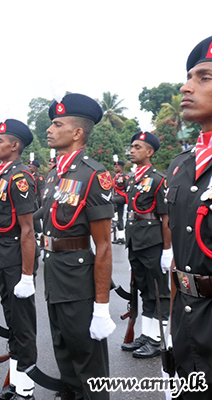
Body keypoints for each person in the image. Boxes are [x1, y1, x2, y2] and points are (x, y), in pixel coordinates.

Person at [41, 93, 115, 400]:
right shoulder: (53, 176)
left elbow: (104, 246)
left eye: (57, 124)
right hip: (55, 274)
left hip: (78, 278)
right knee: (63, 348)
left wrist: (101, 307)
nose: (49, 129)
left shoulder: (93, 174)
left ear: (77, 133)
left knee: (87, 357)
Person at [165, 35, 212, 399]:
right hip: (185, 314)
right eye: (189, 77)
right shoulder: (181, 166)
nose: (186, 86)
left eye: (203, 78)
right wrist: (171, 323)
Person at [0, 120, 38, 400]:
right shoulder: (3, 176)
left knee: (23, 325)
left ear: (15, 146)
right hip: (4, 256)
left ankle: (25, 390)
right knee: (13, 323)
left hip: (17, 259)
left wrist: (27, 275)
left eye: (1, 140)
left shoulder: (19, 178)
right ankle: (15, 385)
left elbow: (27, 229)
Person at [120, 131, 170, 359]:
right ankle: (147, 334)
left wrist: (167, 251)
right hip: (135, 241)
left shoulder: (158, 179)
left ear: (150, 152)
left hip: (152, 242)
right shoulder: (134, 179)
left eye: (137, 147)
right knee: (145, 289)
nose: (132, 150)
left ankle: (160, 339)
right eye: (131, 147)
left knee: (159, 290)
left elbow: (165, 217)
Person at [111, 161, 128, 245]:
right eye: (115, 167)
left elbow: (126, 187)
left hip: (122, 197)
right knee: (120, 217)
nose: (115, 168)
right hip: (116, 197)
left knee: (110, 202)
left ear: (121, 168)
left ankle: (113, 217)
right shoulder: (114, 177)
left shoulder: (124, 176)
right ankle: (121, 238)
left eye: (117, 167)